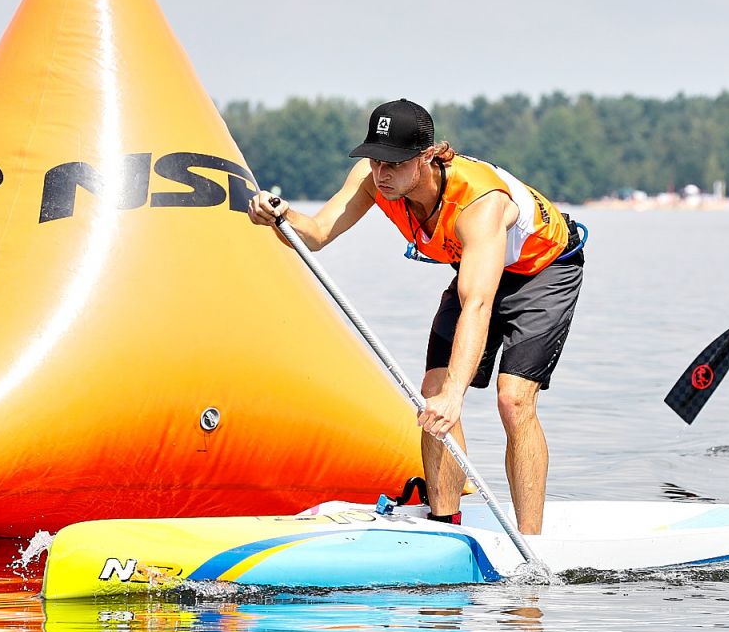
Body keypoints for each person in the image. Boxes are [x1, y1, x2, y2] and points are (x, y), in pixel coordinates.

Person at [247, 99, 583, 534]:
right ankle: (445, 524)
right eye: (374, 160)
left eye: (393, 163)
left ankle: (532, 541)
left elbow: (478, 304)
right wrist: (280, 215)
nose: (380, 173)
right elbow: (316, 234)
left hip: (542, 270)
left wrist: (456, 393)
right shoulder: (373, 181)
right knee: (432, 393)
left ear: (427, 158)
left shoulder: (479, 202)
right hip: (477, 271)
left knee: (513, 399)